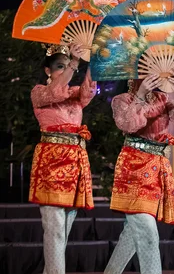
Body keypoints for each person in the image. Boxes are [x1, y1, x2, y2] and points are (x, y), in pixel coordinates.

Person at [104, 71, 174, 274]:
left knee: (131, 234)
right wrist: (141, 93)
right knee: (148, 233)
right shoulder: (122, 100)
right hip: (133, 168)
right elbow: (128, 124)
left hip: (157, 170)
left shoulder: (163, 99)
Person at [30, 43, 96, 274]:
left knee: (64, 227)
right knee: (56, 228)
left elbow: (89, 91)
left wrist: (94, 59)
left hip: (76, 160)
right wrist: (75, 63)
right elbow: (55, 91)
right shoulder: (39, 92)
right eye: (60, 66)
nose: (66, 70)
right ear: (48, 70)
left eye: (68, 67)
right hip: (52, 161)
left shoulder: (74, 94)